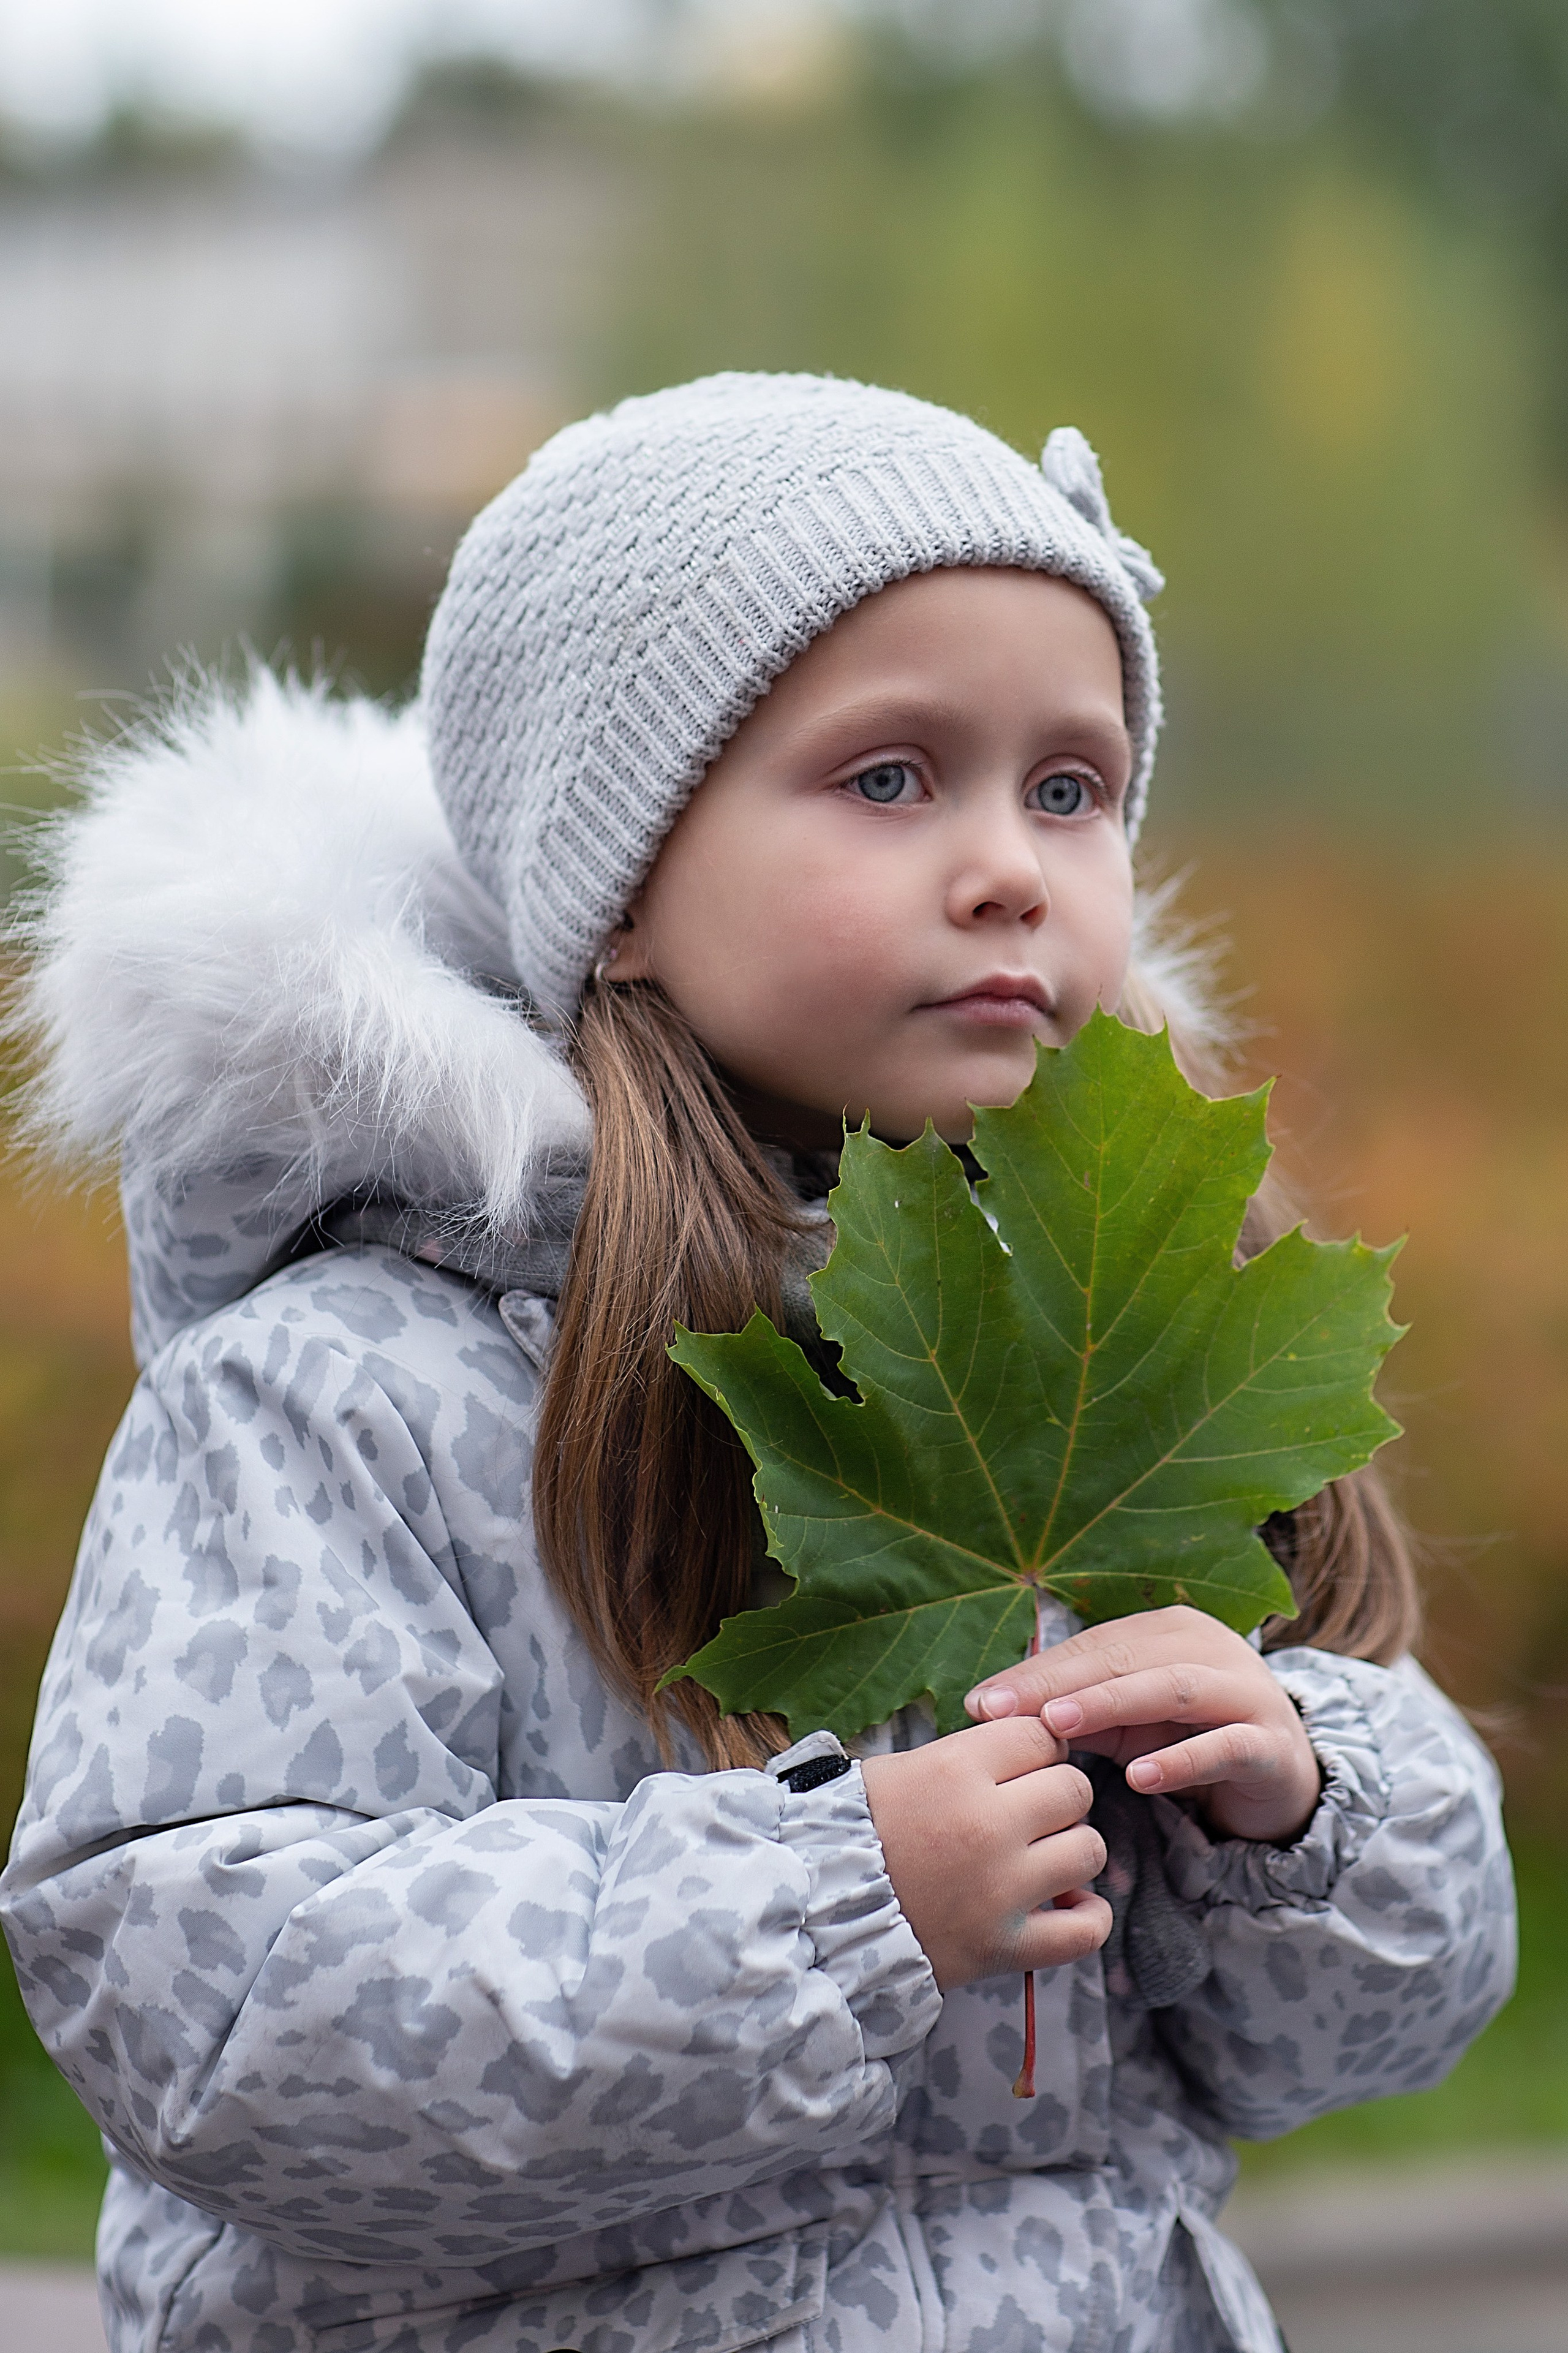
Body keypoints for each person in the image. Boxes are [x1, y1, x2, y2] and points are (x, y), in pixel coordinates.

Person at [1, 374, 1514, 2353]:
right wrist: (831, 1902)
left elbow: (1362, 2029)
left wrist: (1299, 1807)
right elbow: (202, 1992)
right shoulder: (347, 1394)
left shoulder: (1094, 1353)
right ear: (616, 889)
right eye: (892, 778)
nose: (1010, 866)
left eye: (1072, 788)